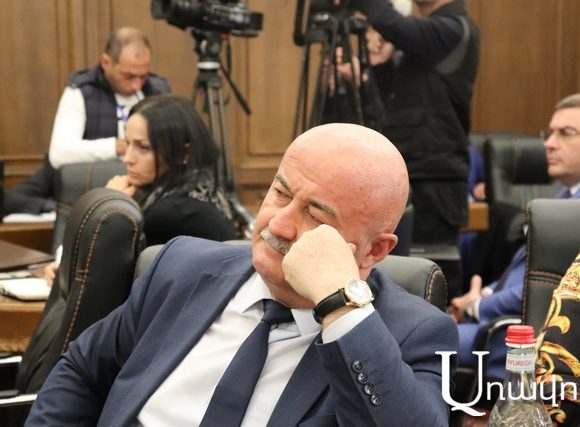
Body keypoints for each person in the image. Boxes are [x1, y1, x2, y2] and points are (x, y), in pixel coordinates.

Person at [27, 123, 458, 426]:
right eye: (281, 192)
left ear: (375, 250)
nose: (278, 224)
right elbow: (82, 371)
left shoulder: (412, 334)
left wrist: (341, 306)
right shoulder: (180, 267)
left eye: (315, 215)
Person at [328, 0, 479, 298]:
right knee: (392, 276)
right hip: (405, 173)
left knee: (428, 280)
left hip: (434, 180)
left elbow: (390, 22)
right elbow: (393, 111)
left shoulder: (453, 30)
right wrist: (376, 71)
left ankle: (441, 329)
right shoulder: (423, 41)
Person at [449, 93, 580, 380]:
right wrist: (485, 292)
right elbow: (527, 273)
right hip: (506, 323)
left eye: (566, 133)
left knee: (417, 340)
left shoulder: (574, 212)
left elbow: (547, 290)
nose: (549, 143)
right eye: (549, 133)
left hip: (528, 338)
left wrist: (476, 306)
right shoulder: (565, 197)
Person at [105, 94, 237, 245]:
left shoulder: (172, 214)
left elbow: (110, 255)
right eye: (127, 143)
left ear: (183, 153)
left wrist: (113, 203)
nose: (128, 158)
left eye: (143, 147)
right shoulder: (202, 187)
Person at [48, 27, 170, 169]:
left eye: (143, 76)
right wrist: (117, 147)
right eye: (128, 76)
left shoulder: (158, 91)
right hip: (95, 178)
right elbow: (60, 154)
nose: (137, 86)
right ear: (106, 62)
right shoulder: (81, 91)